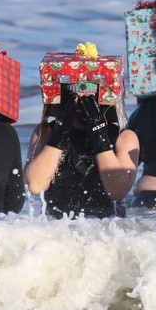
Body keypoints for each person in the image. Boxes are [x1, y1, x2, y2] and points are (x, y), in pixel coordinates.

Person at [25, 83, 139, 218]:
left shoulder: (124, 137)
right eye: (75, 92)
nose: (80, 96)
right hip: (56, 230)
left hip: (107, 229)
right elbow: (35, 186)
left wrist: (99, 136)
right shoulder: (45, 132)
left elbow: (118, 191)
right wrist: (59, 135)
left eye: (88, 89)